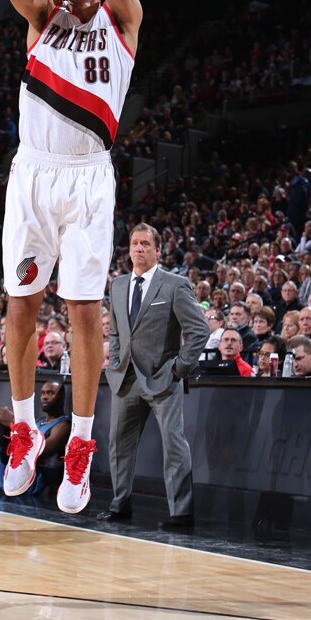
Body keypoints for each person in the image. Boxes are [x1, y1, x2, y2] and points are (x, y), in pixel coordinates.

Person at [0, 0, 142, 514]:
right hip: (33, 175)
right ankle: (23, 427)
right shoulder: (39, 16)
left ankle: (79, 442)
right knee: (20, 306)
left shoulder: (124, 20)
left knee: (83, 312)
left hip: (86, 178)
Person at [97, 223, 209, 528]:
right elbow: (117, 332)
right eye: (135, 243)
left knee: (174, 445)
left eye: (146, 244)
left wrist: (178, 369)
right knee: (118, 445)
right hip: (125, 379)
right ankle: (120, 505)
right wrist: (115, 363)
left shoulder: (174, 284)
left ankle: (181, 513)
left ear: (158, 250)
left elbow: (199, 330)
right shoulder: (118, 285)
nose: (139, 249)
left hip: (163, 379)